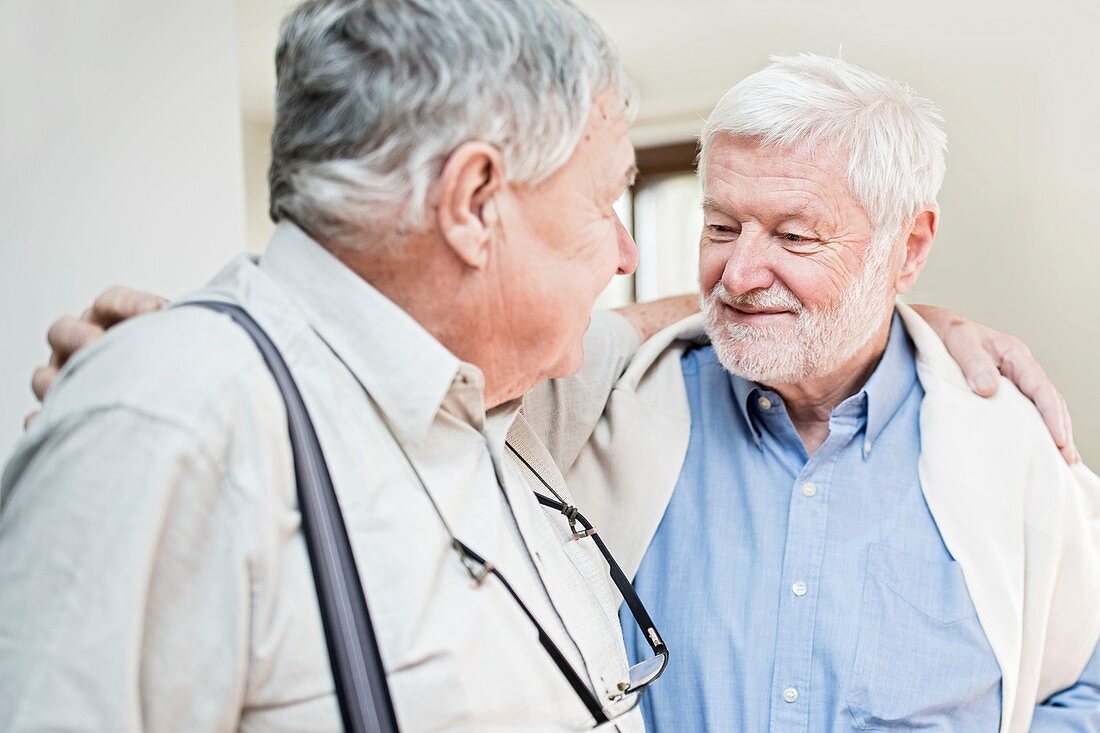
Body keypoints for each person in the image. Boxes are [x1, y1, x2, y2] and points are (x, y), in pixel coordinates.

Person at [6, 5, 1078, 733]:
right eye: (609, 203)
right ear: (476, 202)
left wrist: (896, 311)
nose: (627, 251)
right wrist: (156, 387)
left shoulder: (488, 401)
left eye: (795, 236)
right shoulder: (179, 418)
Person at [527, 55, 1098, 732]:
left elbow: (1084, 690)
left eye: (794, 236)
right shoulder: (601, 415)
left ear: (909, 248)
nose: (737, 275)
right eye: (719, 227)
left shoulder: (1012, 441)